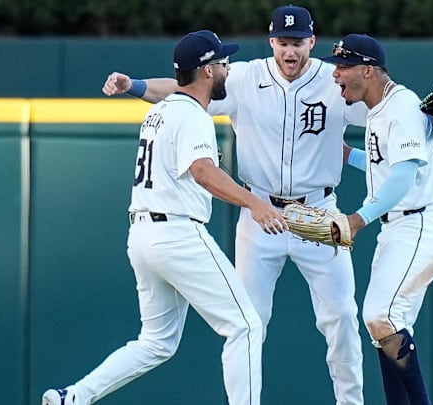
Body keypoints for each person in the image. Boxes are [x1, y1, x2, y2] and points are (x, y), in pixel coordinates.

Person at [101, 5, 368, 404]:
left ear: (312, 42)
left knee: (343, 318)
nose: (289, 51)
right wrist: (135, 86)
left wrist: (420, 120)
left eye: (297, 43)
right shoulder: (245, 77)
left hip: (318, 213)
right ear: (271, 41)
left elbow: (379, 107)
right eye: (282, 42)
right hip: (259, 213)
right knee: (247, 320)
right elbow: (184, 90)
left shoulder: (334, 83)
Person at [41, 29, 289, 405]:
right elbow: (203, 171)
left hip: (142, 235)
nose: (227, 69)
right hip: (177, 234)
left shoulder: (161, 110)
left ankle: (72, 397)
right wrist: (255, 204)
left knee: (157, 342)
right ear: (206, 71)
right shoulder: (192, 115)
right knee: (246, 325)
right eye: (222, 62)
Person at [322, 34, 433, 405]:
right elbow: (385, 165)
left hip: (420, 224)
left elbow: (404, 177)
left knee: (379, 314)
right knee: (386, 328)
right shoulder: (380, 109)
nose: (336, 75)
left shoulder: (401, 107)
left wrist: (359, 219)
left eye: (343, 67)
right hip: (401, 226)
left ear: (367, 70)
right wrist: (347, 155)